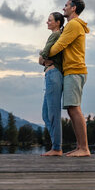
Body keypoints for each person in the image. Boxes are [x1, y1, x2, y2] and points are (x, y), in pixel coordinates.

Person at [47, 0, 90, 157]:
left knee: (74, 108)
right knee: (72, 109)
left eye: (66, 5)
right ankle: (80, 147)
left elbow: (59, 45)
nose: (63, 8)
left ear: (73, 8)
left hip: (75, 70)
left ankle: (84, 148)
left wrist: (45, 55)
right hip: (72, 71)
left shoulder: (73, 24)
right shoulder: (73, 25)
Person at [39, 12, 65, 156]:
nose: (47, 22)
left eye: (50, 20)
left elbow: (42, 56)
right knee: (45, 114)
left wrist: (42, 55)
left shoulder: (55, 35)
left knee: (53, 114)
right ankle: (56, 145)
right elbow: (43, 58)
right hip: (50, 75)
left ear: (58, 22)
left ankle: (57, 148)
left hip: (53, 75)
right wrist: (43, 57)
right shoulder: (56, 36)